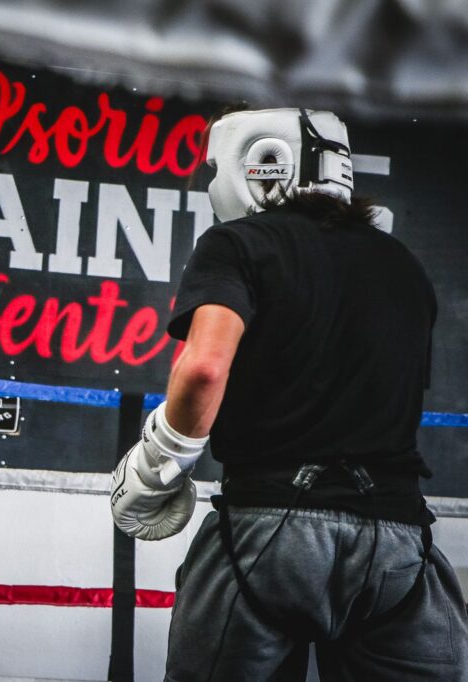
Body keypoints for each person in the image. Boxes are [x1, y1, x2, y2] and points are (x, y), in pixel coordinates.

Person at [111, 107, 468, 680]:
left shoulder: (240, 243)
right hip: (400, 541)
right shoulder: (403, 264)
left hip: (271, 529)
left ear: (261, 162)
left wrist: (159, 465)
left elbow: (203, 368)